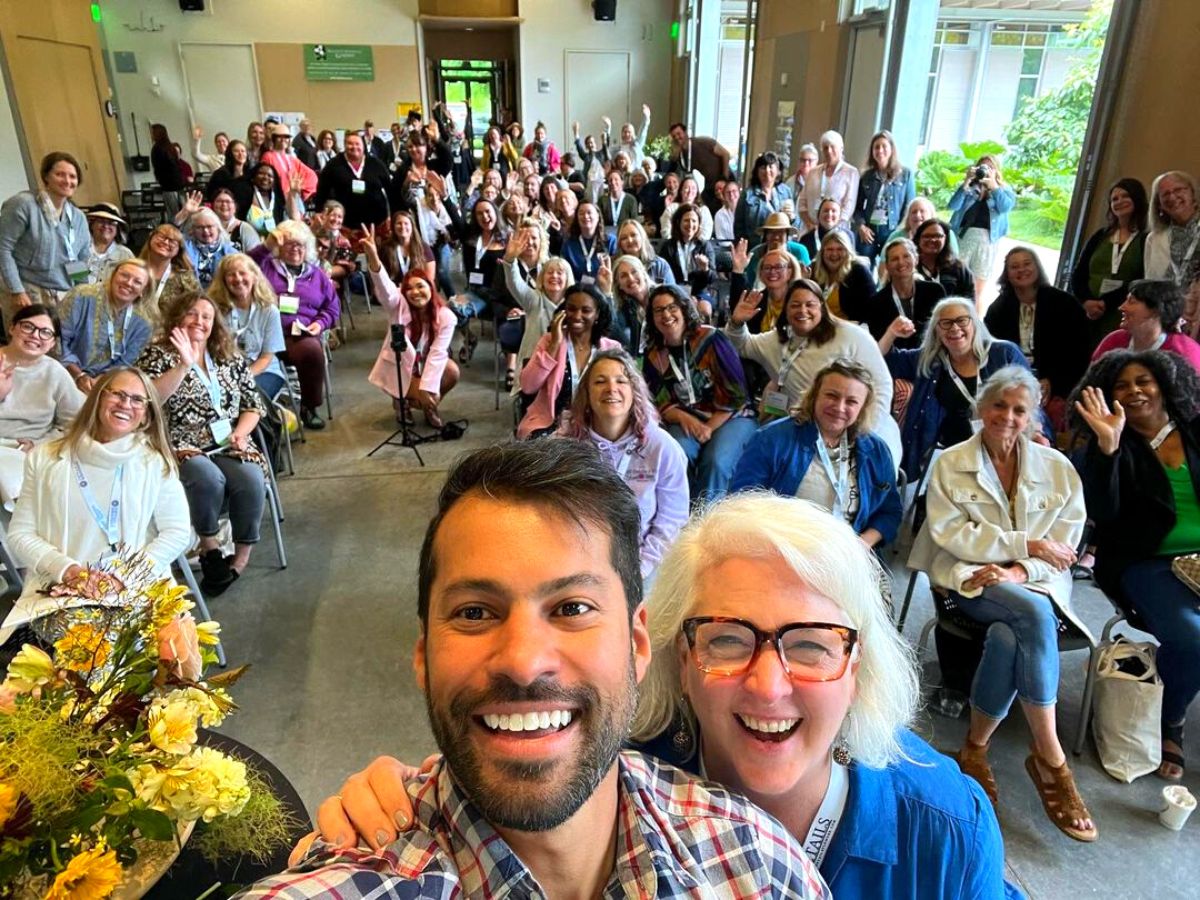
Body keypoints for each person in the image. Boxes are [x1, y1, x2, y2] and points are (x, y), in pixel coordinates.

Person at [310, 491, 1009, 899]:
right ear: (673, 655)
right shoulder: (610, 772)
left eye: (812, 645)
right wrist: (399, 795)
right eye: (729, 640)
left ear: (860, 666)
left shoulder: (945, 827)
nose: (769, 685)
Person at [246, 441, 830, 898]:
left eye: (572, 608)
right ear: (423, 655)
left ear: (636, 643)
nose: (524, 663)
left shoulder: (760, 864)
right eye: (475, 613)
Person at [910, 367, 1096, 843]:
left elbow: (1065, 547)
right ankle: (1050, 756)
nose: (1007, 418)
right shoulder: (952, 463)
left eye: (1019, 409)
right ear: (981, 408)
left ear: (1032, 414)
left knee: (1009, 633)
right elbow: (953, 536)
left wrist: (1020, 569)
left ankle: (974, 747)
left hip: (1033, 584)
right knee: (1030, 615)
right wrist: (1026, 545)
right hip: (965, 580)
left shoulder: (1058, 469)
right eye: (998, 406)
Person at [1074, 349, 1200, 781]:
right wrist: (1109, 447)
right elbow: (1102, 514)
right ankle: (1171, 720)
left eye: (1143, 380)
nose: (1134, 391)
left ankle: (1169, 679)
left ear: (1163, 383)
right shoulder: (1110, 443)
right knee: (1192, 638)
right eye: (1122, 386)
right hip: (1145, 565)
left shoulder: (1193, 430)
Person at [2, 366, 189, 639]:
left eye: (138, 400)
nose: (126, 404)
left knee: (122, 654)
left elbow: (177, 532)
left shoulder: (155, 463)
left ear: (147, 415)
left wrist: (124, 576)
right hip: (62, 589)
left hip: (134, 586)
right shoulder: (44, 458)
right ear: (98, 398)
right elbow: (20, 534)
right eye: (118, 394)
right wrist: (69, 571)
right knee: (71, 656)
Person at [136, 292, 265, 596]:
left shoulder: (227, 356)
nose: (200, 321)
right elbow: (149, 402)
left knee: (250, 479)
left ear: (214, 324)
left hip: (228, 440)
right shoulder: (157, 354)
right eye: (192, 314)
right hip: (181, 442)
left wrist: (242, 433)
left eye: (206, 316)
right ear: (178, 318)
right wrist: (183, 364)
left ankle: (241, 559)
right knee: (206, 477)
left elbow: (253, 404)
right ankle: (210, 548)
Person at [725, 279, 901, 466]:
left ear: (822, 308)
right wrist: (736, 323)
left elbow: (882, 384)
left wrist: (864, 430)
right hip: (801, 429)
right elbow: (741, 345)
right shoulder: (776, 341)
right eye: (795, 305)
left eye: (810, 305)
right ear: (785, 310)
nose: (803, 311)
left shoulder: (852, 336)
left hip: (856, 427)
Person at [731, 358, 901, 549]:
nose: (839, 407)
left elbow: (890, 512)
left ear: (862, 408)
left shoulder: (876, 451)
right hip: (783, 548)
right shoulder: (771, 439)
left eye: (851, 401)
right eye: (832, 396)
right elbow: (741, 502)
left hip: (847, 554)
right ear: (814, 396)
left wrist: (862, 545)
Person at [558, 349, 688, 578]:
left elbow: (672, 519)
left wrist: (641, 568)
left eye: (621, 381)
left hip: (644, 563)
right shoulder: (565, 445)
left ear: (634, 391)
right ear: (586, 394)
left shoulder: (662, 448)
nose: (611, 389)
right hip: (577, 560)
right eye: (600, 381)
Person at [881, 297, 1039, 481]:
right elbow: (879, 361)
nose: (955, 328)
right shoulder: (930, 360)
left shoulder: (1004, 353)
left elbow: (1031, 398)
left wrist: (1038, 434)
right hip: (945, 457)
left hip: (999, 450)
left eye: (962, 320)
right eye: (946, 323)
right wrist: (891, 333)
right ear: (936, 331)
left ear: (974, 323)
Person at [643, 286, 755, 501]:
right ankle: (677, 517)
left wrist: (707, 428)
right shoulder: (654, 354)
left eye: (672, 307)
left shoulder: (711, 338)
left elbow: (736, 395)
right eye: (658, 310)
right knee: (676, 453)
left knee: (716, 461)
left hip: (733, 415)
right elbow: (656, 400)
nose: (666, 315)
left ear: (684, 309)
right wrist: (682, 416)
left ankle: (705, 521)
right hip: (686, 418)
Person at [985, 247, 1089, 432]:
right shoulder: (998, 310)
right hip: (1013, 378)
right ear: (1007, 275)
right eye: (1014, 267)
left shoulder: (1065, 304)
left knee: (1054, 415)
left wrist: (1052, 380)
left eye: (1027, 264)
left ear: (1037, 268)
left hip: (1057, 380)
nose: (1022, 270)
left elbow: (1078, 352)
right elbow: (992, 353)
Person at [362, 228, 459, 428]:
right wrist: (374, 259)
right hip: (400, 367)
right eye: (409, 289)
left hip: (424, 364)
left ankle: (428, 406)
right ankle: (403, 402)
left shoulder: (446, 317)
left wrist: (428, 388)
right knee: (424, 394)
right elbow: (385, 288)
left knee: (452, 371)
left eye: (421, 286)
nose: (415, 292)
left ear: (430, 288)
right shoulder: (397, 305)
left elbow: (438, 353)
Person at [0, 304, 84, 510]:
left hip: (28, 451)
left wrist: (41, 445)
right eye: (28, 326)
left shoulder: (55, 372)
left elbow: (77, 422)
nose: (35, 335)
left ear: (53, 343)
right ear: (12, 328)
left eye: (45, 332)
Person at [258, 221, 339, 430]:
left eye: (300, 245)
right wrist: (265, 246)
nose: (296, 248)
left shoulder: (317, 275)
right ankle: (261, 415)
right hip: (264, 333)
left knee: (312, 351)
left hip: (297, 335)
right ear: (279, 247)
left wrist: (319, 324)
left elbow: (332, 309)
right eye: (290, 244)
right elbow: (241, 264)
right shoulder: (265, 266)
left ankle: (309, 407)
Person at [517, 284, 620, 440]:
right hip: (552, 425)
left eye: (586, 310)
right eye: (571, 309)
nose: (577, 316)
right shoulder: (549, 341)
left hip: (597, 426)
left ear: (597, 314)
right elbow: (528, 386)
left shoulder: (610, 348)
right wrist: (553, 346)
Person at [0, 151, 91, 317]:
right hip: (27, 290)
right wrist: (17, 290)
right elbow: (3, 248)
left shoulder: (78, 217)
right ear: (46, 176)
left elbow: (79, 259)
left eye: (73, 176)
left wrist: (82, 292)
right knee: (30, 341)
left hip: (64, 293)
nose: (67, 181)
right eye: (60, 174)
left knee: (62, 343)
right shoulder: (23, 204)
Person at [1070, 178, 1148, 345]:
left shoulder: (1146, 239)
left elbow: (1140, 279)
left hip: (1119, 315)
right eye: (1114, 199)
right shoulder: (1100, 235)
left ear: (1137, 198)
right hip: (1087, 312)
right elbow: (1078, 273)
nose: (1119, 201)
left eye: (1125, 196)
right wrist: (1087, 302)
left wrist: (1105, 303)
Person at [58, 259, 155, 392]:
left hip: (104, 383)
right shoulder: (81, 295)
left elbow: (126, 362)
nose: (128, 283)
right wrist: (78, 375)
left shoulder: (143, 322)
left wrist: (99, 381)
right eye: (124, 275)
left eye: (137, 282)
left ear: (143, 291)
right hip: (62, 370)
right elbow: (59, 340)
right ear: (113, 276)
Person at [207, 253, 287, 398]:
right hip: (224, 371)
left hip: (263, 370)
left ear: (254, 276)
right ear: (224, 281)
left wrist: (241, 378)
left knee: (247, 397)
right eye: (231, 275)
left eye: (243, 273)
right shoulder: (215, 309)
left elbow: (266, 358)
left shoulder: (269, 311)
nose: (238, 279)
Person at [1090, 278, 1200, 373]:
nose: (1122, 307)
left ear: (1156, 310)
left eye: (1131, 302)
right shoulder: (1114, 340)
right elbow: (1090, 383)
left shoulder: (1185, 354)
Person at [948, 155, 1016, 303]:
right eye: (982, 167)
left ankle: (976, 321)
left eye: (990, 168)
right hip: (964, 238)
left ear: (996, 171)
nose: (985, 171)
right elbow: (953, 206)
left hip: (987, 242)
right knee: (956, 282)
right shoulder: (970, 187)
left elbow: (1005, 207)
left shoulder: (1003, 189)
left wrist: (994, 188)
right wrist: (966, 182)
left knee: (978, 290)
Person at [866, 238, 945, 349]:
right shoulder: (876, 303)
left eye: (906, 256)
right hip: (895, 361)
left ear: (916, 259)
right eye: (894, 259)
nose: (901, 262)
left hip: (932, 357)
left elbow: (944, 329)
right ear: (887, 266)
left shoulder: (934, 292)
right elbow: (878, 343)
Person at [852, 130, 915, 265]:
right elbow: (857, 208)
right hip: (870, 230)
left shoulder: (906, 174)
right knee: (862, 267)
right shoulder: (867, 176)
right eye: (876, 147)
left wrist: (902, 231)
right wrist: (861, 226)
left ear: (891, 149)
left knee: (890, 267)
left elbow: (909, 206)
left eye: (884, 146)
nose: (880, 150)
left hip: (893, 231)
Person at [313, 132, 391, 230]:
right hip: (345, 225)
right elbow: (322, 190)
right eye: (350, 144)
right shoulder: (333, 165)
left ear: (363, 146)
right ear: (345, 146)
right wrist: (318, 211)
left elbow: (390, 190)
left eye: (357, 144)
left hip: (377, 223)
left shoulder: (376, 164)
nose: (354, 147)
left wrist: (393, 214)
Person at [729, 246, 805, 334]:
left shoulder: (800, 301)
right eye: (767, 267)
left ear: (790, 272)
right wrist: (738, 270)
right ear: (760, 273)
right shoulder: (757, 300)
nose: (772, 271)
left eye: (778, 267)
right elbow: (737, 308)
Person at [1144, 171, 1200, 285]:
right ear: (1159, 205)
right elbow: (1150, 282)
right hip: (1165, 301)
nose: (1172, 197)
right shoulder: (1154, 239)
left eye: (1178, 190)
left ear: (1193, 194)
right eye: (1165, 194)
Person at [661, 204, 718, 316]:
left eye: (694, 221)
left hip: (700, 292)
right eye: (686, 220)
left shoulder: (705, 246)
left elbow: (713, 278)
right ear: (678, 222)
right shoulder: (668, 246)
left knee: (705, 310)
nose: (690, 224)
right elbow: (663, 274)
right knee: (687, 306)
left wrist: (705, 269)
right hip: (675, 290)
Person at [137, 223, 200, 321]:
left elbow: (196, 308)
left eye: (172, 241)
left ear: (179, 250)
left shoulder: (185, 278)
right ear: (150, 239)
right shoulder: (132, 270)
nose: (166, 242)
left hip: (167, 332)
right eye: (162, 237)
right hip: (132, 332)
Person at [800, 131, 858, 234]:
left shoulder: (851, 173)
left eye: (832, 147)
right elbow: (802, 203)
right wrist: (810, 225)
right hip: (811, 230)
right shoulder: (813, 172)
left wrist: (832, 228)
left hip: (837, 232)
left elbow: (849, 206)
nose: (829, 151)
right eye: (825, 148)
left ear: (841, 148)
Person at [812, 229, 875, 322]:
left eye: (840, 249)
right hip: (820, 327)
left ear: (848, 251)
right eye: (830, 249)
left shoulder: (859, 272)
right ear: (822, 252)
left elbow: (872, 310)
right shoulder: (814, 270)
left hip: (851, 328)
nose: (834, 254)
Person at [666, 122, 732, 210]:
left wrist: (724, 179)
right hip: (710, 184)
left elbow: (726, 154)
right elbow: (685, 173)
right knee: (705, 208)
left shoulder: (703, 142)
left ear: (685, 133)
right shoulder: (682, 156)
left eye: (679, 134)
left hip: (725, 178)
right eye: (674, 136)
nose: (677, 138)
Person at [736, 212, 812, 286]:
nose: (776, 236)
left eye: (780, 232)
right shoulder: (755, 254)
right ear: (765, 235)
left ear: (787, 234)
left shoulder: (799, 251)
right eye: (771, 232)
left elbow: (807, 280)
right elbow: (750, 284)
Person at [735, 151, 794, 245]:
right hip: (755, 247)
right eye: (763, 167)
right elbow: (739, 227)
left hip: (782, 246)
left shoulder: (786, 191)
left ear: (778, 171)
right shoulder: (747, 194)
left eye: (771, 166)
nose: (767, 170)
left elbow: (795, 223)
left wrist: (791, 217)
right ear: (757, 171)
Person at [913, 218, 973, 298]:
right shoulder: (910, 267)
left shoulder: (959, 268)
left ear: (946, 238)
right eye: (926, 236)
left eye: (938, 236)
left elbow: (969, 299)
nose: (932, 240)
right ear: (918, 239)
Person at [561, 200, 617, 284]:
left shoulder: (610, 241)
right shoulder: (568, 245)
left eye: (589, 212)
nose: (585, 216)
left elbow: (617, 271)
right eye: (581, 213)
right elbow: (565, 274)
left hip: (605, 289)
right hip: (577, 291)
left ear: (598, 216)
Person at [182, 207, 237, 290]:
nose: (206, 231)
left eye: (210, 226)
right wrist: (184, 212)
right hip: (192, 296)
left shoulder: (231, 252)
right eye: (200, 227)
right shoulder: (185, 248)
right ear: (193, 230)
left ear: (218, 228)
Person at [261, 123, 318, 203]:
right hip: (276, 201)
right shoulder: (268, 157)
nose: (283, 139)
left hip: (293, 200)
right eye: (279, 137)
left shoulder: (291, 159)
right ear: (274, 138)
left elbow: (311, 175)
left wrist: (301, 188)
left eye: (286, 137)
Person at [378, 209, 435, 283]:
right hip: (393, 291)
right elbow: (381, 276)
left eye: (406, 223)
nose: (402, 226)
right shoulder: (385, 248)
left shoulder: (423, 248)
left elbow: (429, 279)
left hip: (416, 291)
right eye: (399, 223)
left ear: (412, 226)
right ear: (393, 227)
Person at [85, 202, 134, 285]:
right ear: (92, 225)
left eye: (111, 223)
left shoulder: (126, 255)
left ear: (117, 230)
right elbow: (73, 279)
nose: (105, 226)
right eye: (101, 221)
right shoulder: (78, 249)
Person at [615, 219, 673, 285]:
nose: (630, 240)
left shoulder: (660, 265)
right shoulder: (615, 267)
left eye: (633, 235)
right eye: (624, 238)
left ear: (642, 237)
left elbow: (672, 293)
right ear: (619, 243)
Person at [799, 197, 852, 263]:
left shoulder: (848, 236)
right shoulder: (806, 239)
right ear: (818, 215)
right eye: (826, 211)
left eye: (833, 211)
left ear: (839, 217)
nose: (829, 214)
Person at [204, 140, 252, 212]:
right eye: (236, 151)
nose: (240, 154)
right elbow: (211, 196)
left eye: (243, 151)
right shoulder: (220, 174)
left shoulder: (250, 173)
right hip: (227, 213)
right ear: (230, 153)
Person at [660, 175, 713, 241]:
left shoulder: (704, 210)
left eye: (693, 188)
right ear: (681, 191)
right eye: (687, 188)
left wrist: (694, 246)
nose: (690, 191)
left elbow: (706, 233)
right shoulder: (672, 208)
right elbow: (666, 231)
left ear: (697, 192)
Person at [149, 123, 186, 216]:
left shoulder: (156, 149)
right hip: (179, 185)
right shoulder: (171, 147)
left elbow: (158, 169)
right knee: (184, 211)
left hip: (168, 187)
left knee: (174, 214)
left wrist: (159, 180)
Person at [789, 143, 820, 219]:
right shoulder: (790, 182)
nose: (806, 163)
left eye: (810, 160)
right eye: (803, 160)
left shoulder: (822, 182)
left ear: (816, 162)